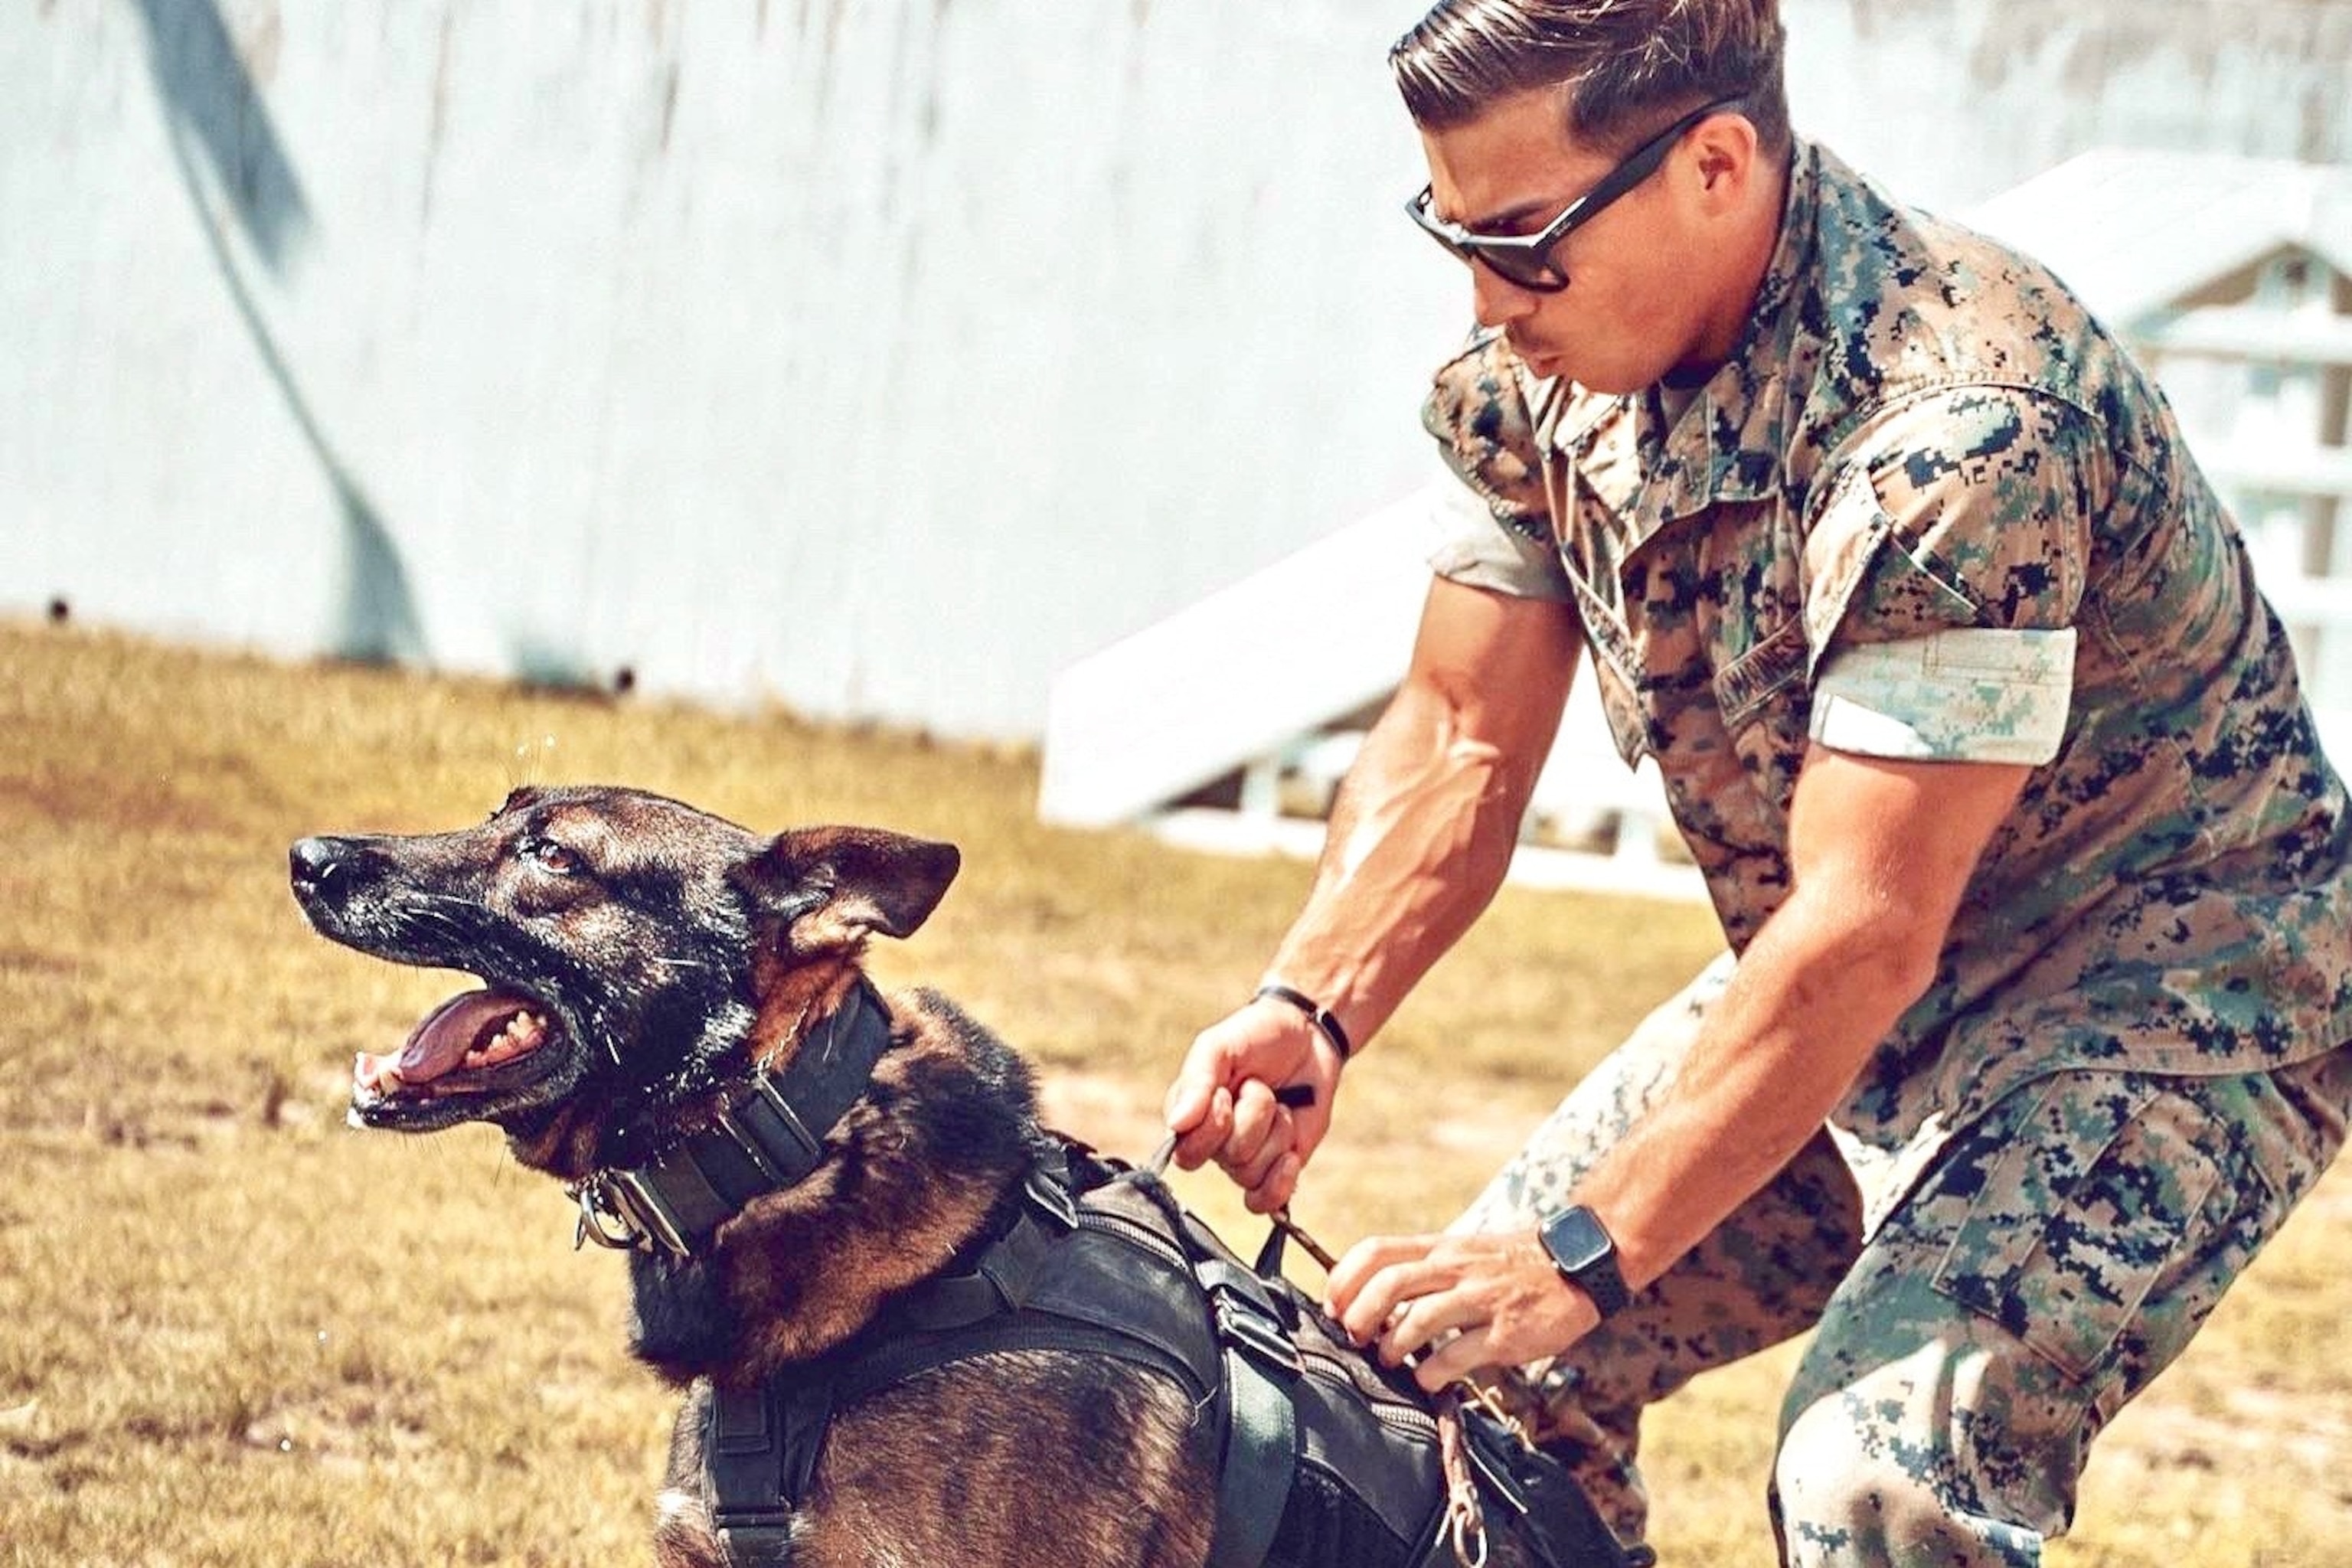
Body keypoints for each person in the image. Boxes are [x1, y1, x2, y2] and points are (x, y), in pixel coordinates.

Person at [1159, 2, 2352, 1563]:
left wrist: (1581, 1251)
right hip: (1852, 990)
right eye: (1452, 233)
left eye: (1526, 238)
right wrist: (1311, 1005)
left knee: (1878, 1479)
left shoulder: (1956, 430)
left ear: (1717, 163)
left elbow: (1866, 921)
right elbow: (1457, 728)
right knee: (1488, 1374)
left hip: (2166, 998)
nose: (1484, 298)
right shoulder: (1545, 370)